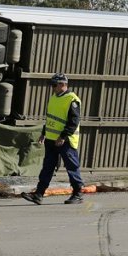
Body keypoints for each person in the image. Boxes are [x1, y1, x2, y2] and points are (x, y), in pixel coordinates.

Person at [22, 73, 84, 205]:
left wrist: (63, 136)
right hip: (51, 139)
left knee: (71, 167)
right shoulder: (54, 97)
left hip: (65, 140)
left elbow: (73, 122)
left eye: (54, 85)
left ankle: (78, 193)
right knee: (47, 167)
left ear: (63, 84)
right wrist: (44, 133)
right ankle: (38, 194)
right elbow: (50, 118)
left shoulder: (72, 100)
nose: (53, 88)